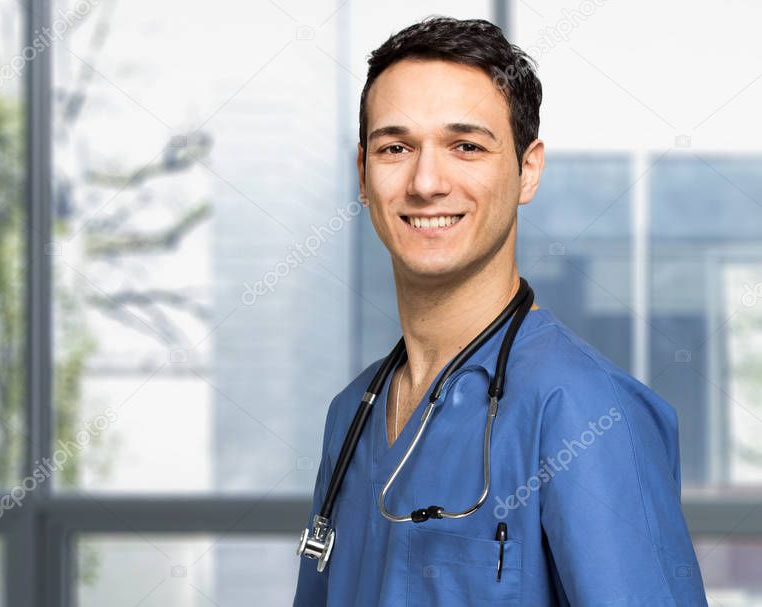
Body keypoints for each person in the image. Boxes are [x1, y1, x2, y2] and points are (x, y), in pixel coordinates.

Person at [293, 16, 708, 606]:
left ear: (527, 170)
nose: (427, 180)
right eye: (395, 147)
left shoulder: (586, 412)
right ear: (363, 175)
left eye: (466, 146)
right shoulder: (352, 416)